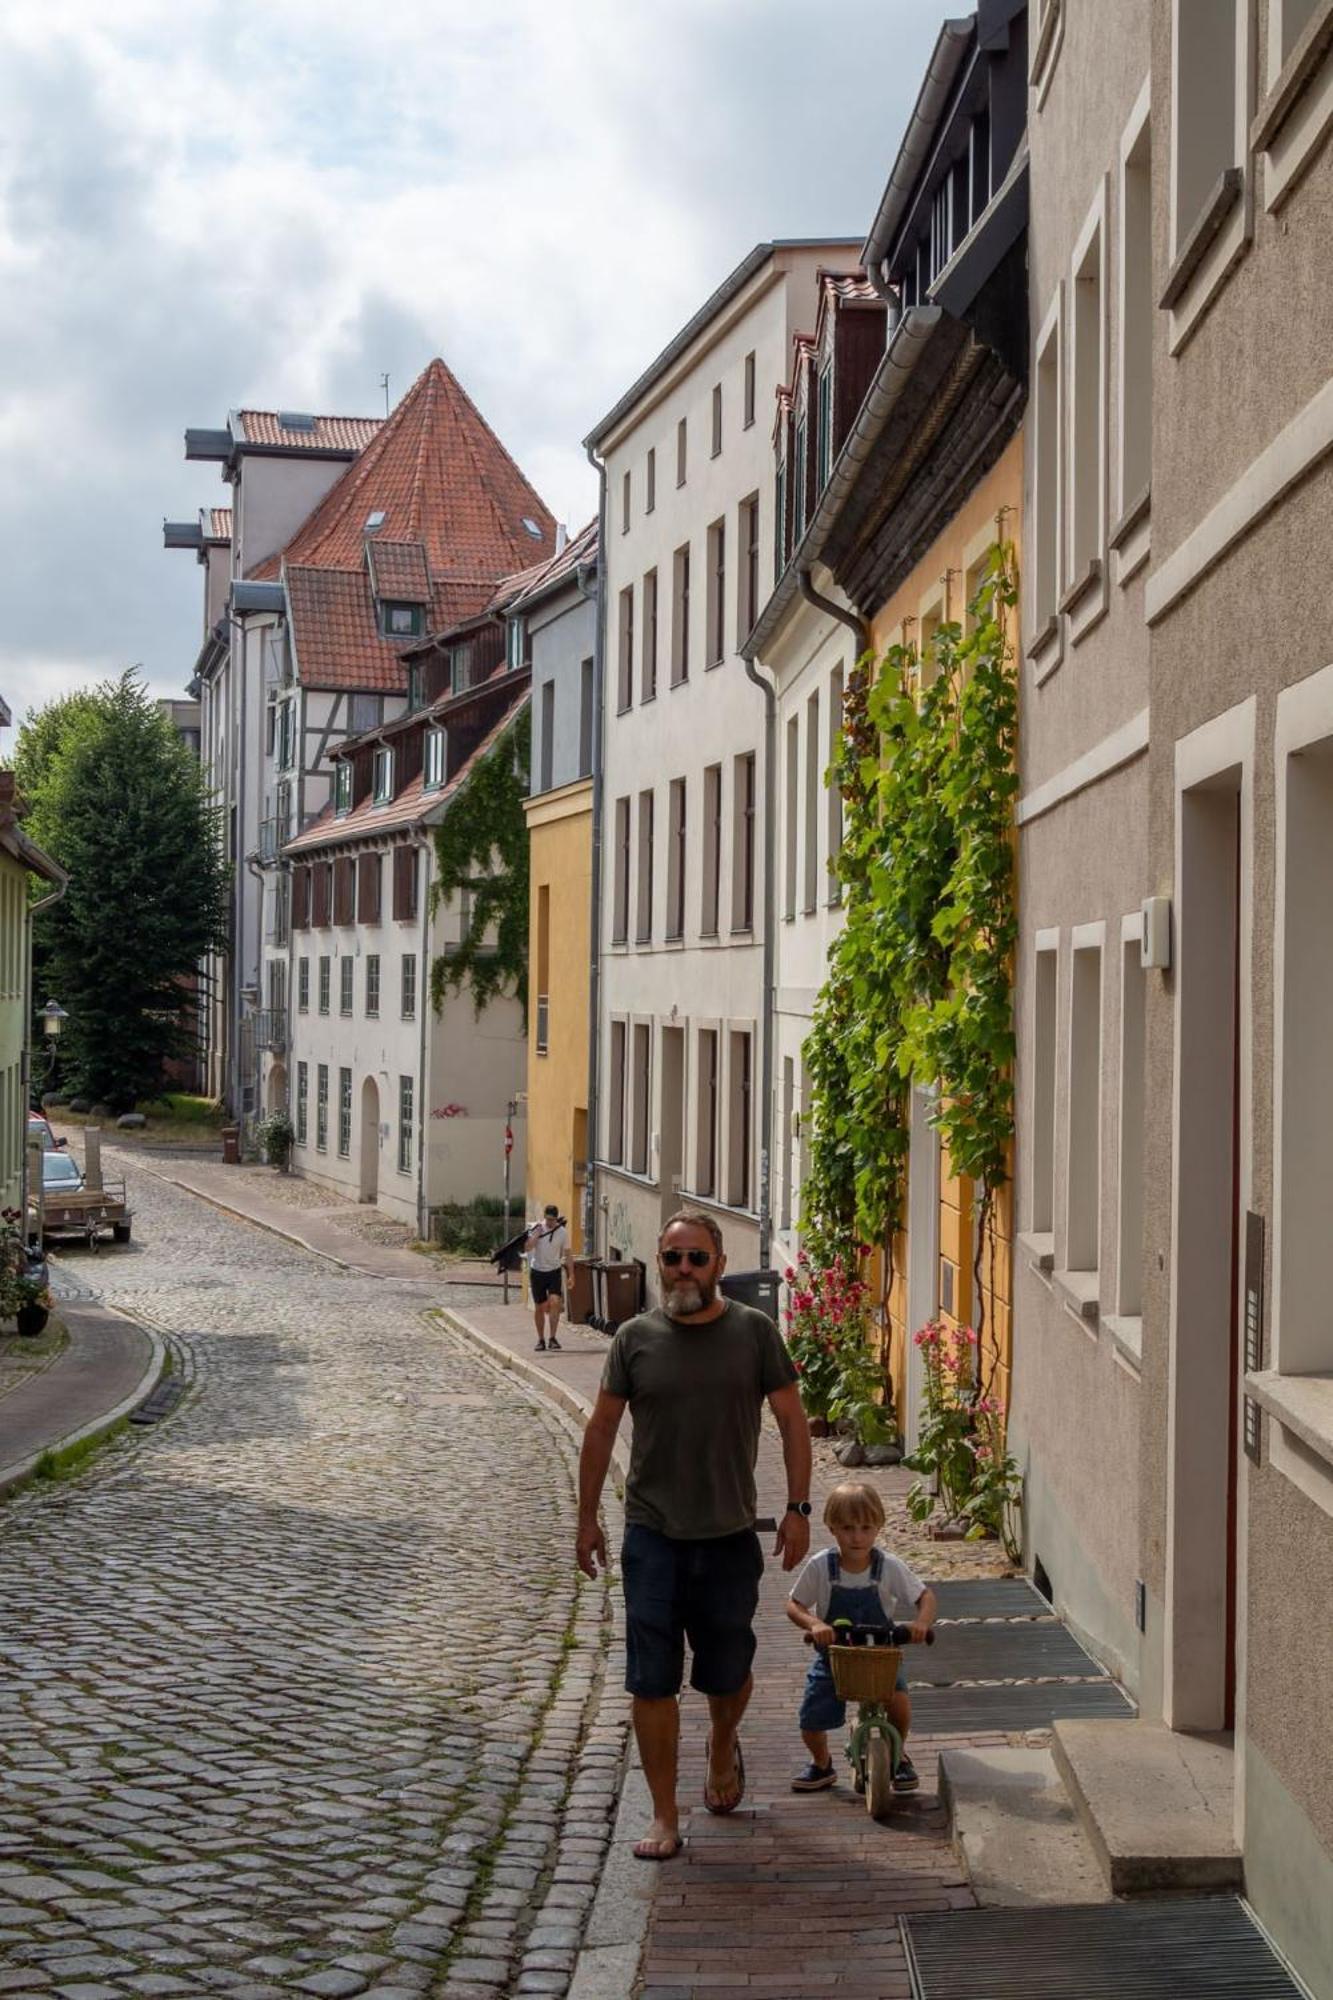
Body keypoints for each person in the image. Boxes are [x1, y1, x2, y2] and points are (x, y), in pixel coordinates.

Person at [576, 1210, 813, 1862]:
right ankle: (663, 1814)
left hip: (729, 1534)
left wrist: (797, 1507)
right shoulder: (634, 1338)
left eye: (695, 1258)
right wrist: (587, 1517)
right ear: (659, 1262)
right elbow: (600, 1429)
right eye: (672, 1257)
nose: (682, 1270)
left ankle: (719, 1744)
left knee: (727, 1674)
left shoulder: (753, 1333)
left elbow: (792, 1421)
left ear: (718, 1264)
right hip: (651, 1535)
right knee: (651, 1681)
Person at [785, 1480, 937, 1794]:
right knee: (811, 1720)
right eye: (847, 1528)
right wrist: (814, 1624)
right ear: (831, 1528)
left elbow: (925, 1596)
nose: (857, 1537)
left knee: (900, 1705)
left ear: (879, 1527)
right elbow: (794, 1604)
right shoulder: (821, 1567)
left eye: (866, 1528)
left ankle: (898, 1753)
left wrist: (921, 1623)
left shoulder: (889, 1567)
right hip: (835, 1655)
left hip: (881, 1654)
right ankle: (821, 1762)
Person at [526, 1203, 571, 1352]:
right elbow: (528, 1247)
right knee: (539, 1307)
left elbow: (568, 1255)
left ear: (557, 1219)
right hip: (537, 1271)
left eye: (553, 1219)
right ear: (544, 1217)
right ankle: (541, 1339)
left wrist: (572, 1275)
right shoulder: (536, 1228)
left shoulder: (562, 1232)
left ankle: (552, 1337)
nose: (550, 1222)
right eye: (548, 1219)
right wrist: (536, 1235)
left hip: (554, 1271)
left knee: (555, 1302)